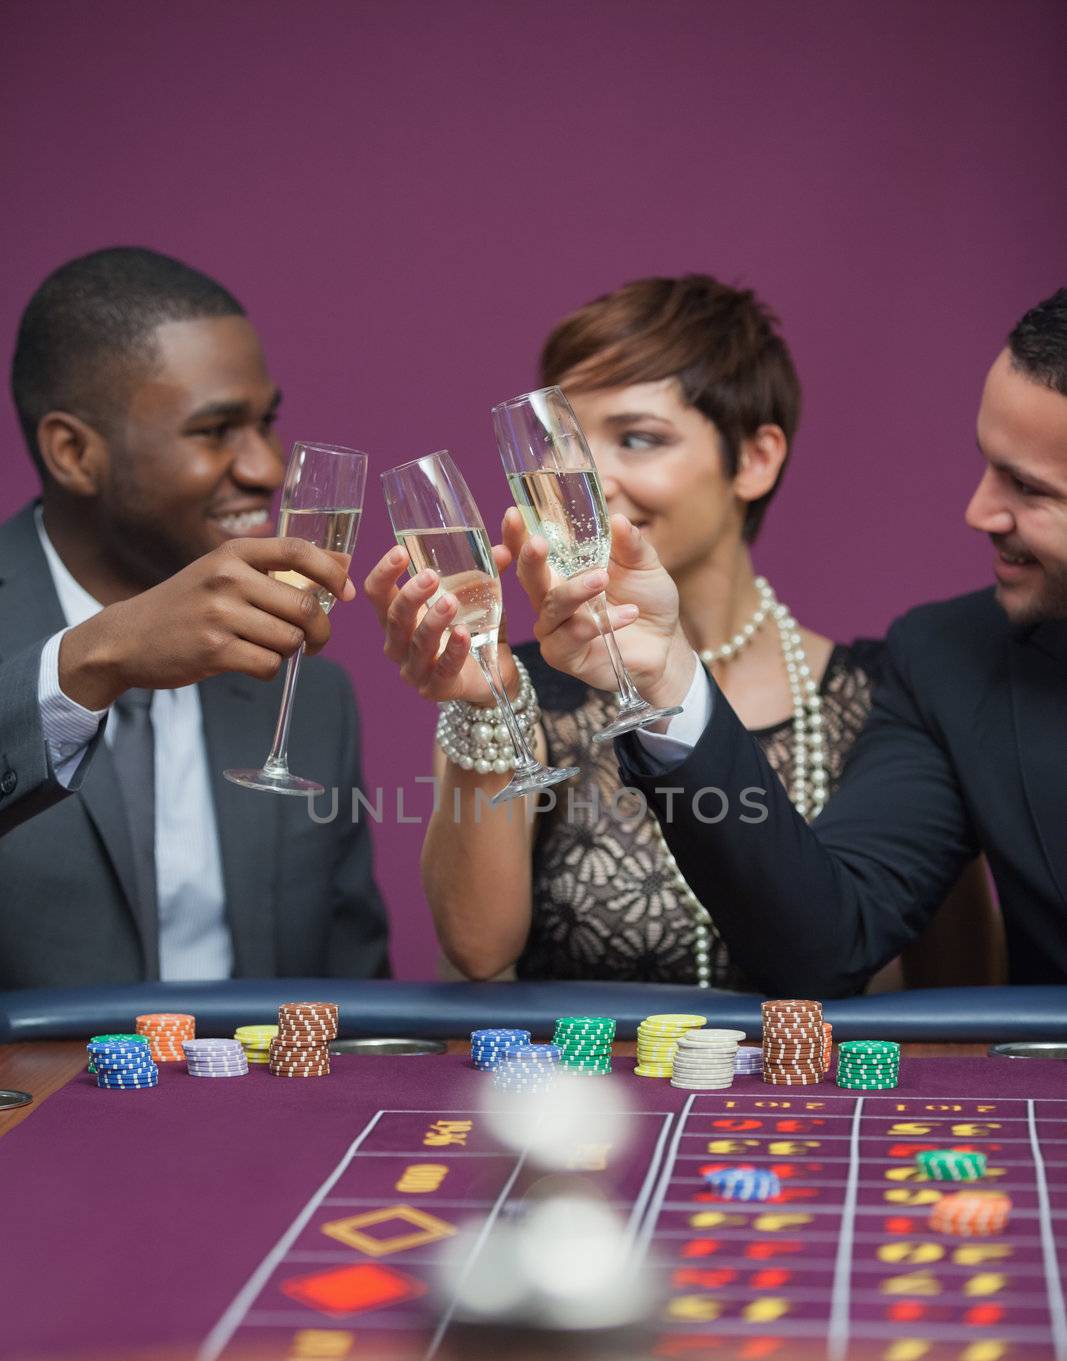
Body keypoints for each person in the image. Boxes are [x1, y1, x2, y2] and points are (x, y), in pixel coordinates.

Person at [365, 275, 993, 988]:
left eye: (637, 439)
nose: (586, 476)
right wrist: (482, 707)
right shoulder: (520, 690)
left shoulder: (890, 695)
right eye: (561, 442)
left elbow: (962, 989)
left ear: (754, 458)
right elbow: (477, 954)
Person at [503, 287, 1067, 996]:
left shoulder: (873, 681)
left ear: (756, 458)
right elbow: (826, 946)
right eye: (987, 465)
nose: (978, 510)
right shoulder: (948, 660)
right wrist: (672, 678)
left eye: (1027, 487)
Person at [0, 246, 389, 987]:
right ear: (74, 452)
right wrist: (91, 659)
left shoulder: (311, 699)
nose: (267, 468)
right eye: (215, 431)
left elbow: (352, 997)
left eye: (265, 422)